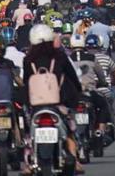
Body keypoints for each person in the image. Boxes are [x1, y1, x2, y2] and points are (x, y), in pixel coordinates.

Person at [23, 24, 84, 173]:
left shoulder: (28, 60)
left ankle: (28, 163)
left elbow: (26, 82)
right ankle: (75, 160)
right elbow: (72, 76)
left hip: (36, 105)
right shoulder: (59, 56)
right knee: (69, 129)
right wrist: (78, 91)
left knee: (28, 132)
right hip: (58, 104)